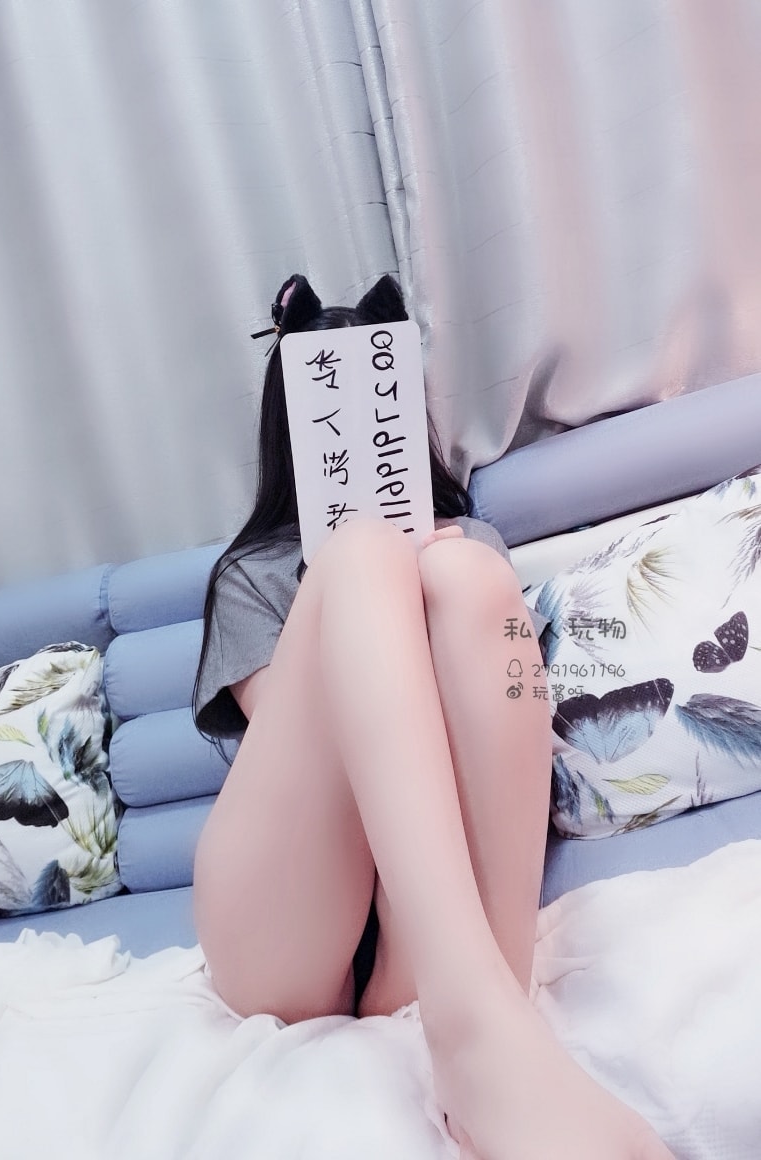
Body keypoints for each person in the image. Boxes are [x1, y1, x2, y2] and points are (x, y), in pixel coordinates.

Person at [192, 274, 675, 1160]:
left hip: (431, 914)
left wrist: (440, 570)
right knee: (364, 555)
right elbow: (301, 747)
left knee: (469, 573)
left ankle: (485, 1023)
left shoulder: (469, 540)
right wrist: (358, 575)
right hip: (285, 920)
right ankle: (473, 1021)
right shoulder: (251, 575)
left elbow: (502, 715)